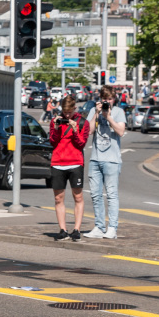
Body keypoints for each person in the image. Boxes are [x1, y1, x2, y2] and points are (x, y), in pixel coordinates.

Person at [85, 86, 125, 240]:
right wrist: (96, 113)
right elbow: (88, 131)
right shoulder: (94, 110)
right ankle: (99, 226)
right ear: (100, 98)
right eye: (104, 99)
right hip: (95, 158)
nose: (107, 101)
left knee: (112, 195)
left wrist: (108, 117)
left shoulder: (118, 112)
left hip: (112, 160)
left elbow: (120, 131)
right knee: (95, 194)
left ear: (114, 99)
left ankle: (112, 228)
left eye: (109, 99)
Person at [49, 95, 90, 242]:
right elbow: (53, 142)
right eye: (64, 112)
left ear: (74, 108)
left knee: (78, 196)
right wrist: (55, 128)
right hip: (58, 162)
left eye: (69, 112)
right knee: (58, 197)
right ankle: (62, 229)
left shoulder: (83, 122)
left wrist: (74, 130)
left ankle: (76, 229)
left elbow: (81, 144)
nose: (66, 115)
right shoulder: (57, 121)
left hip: (75, 162)